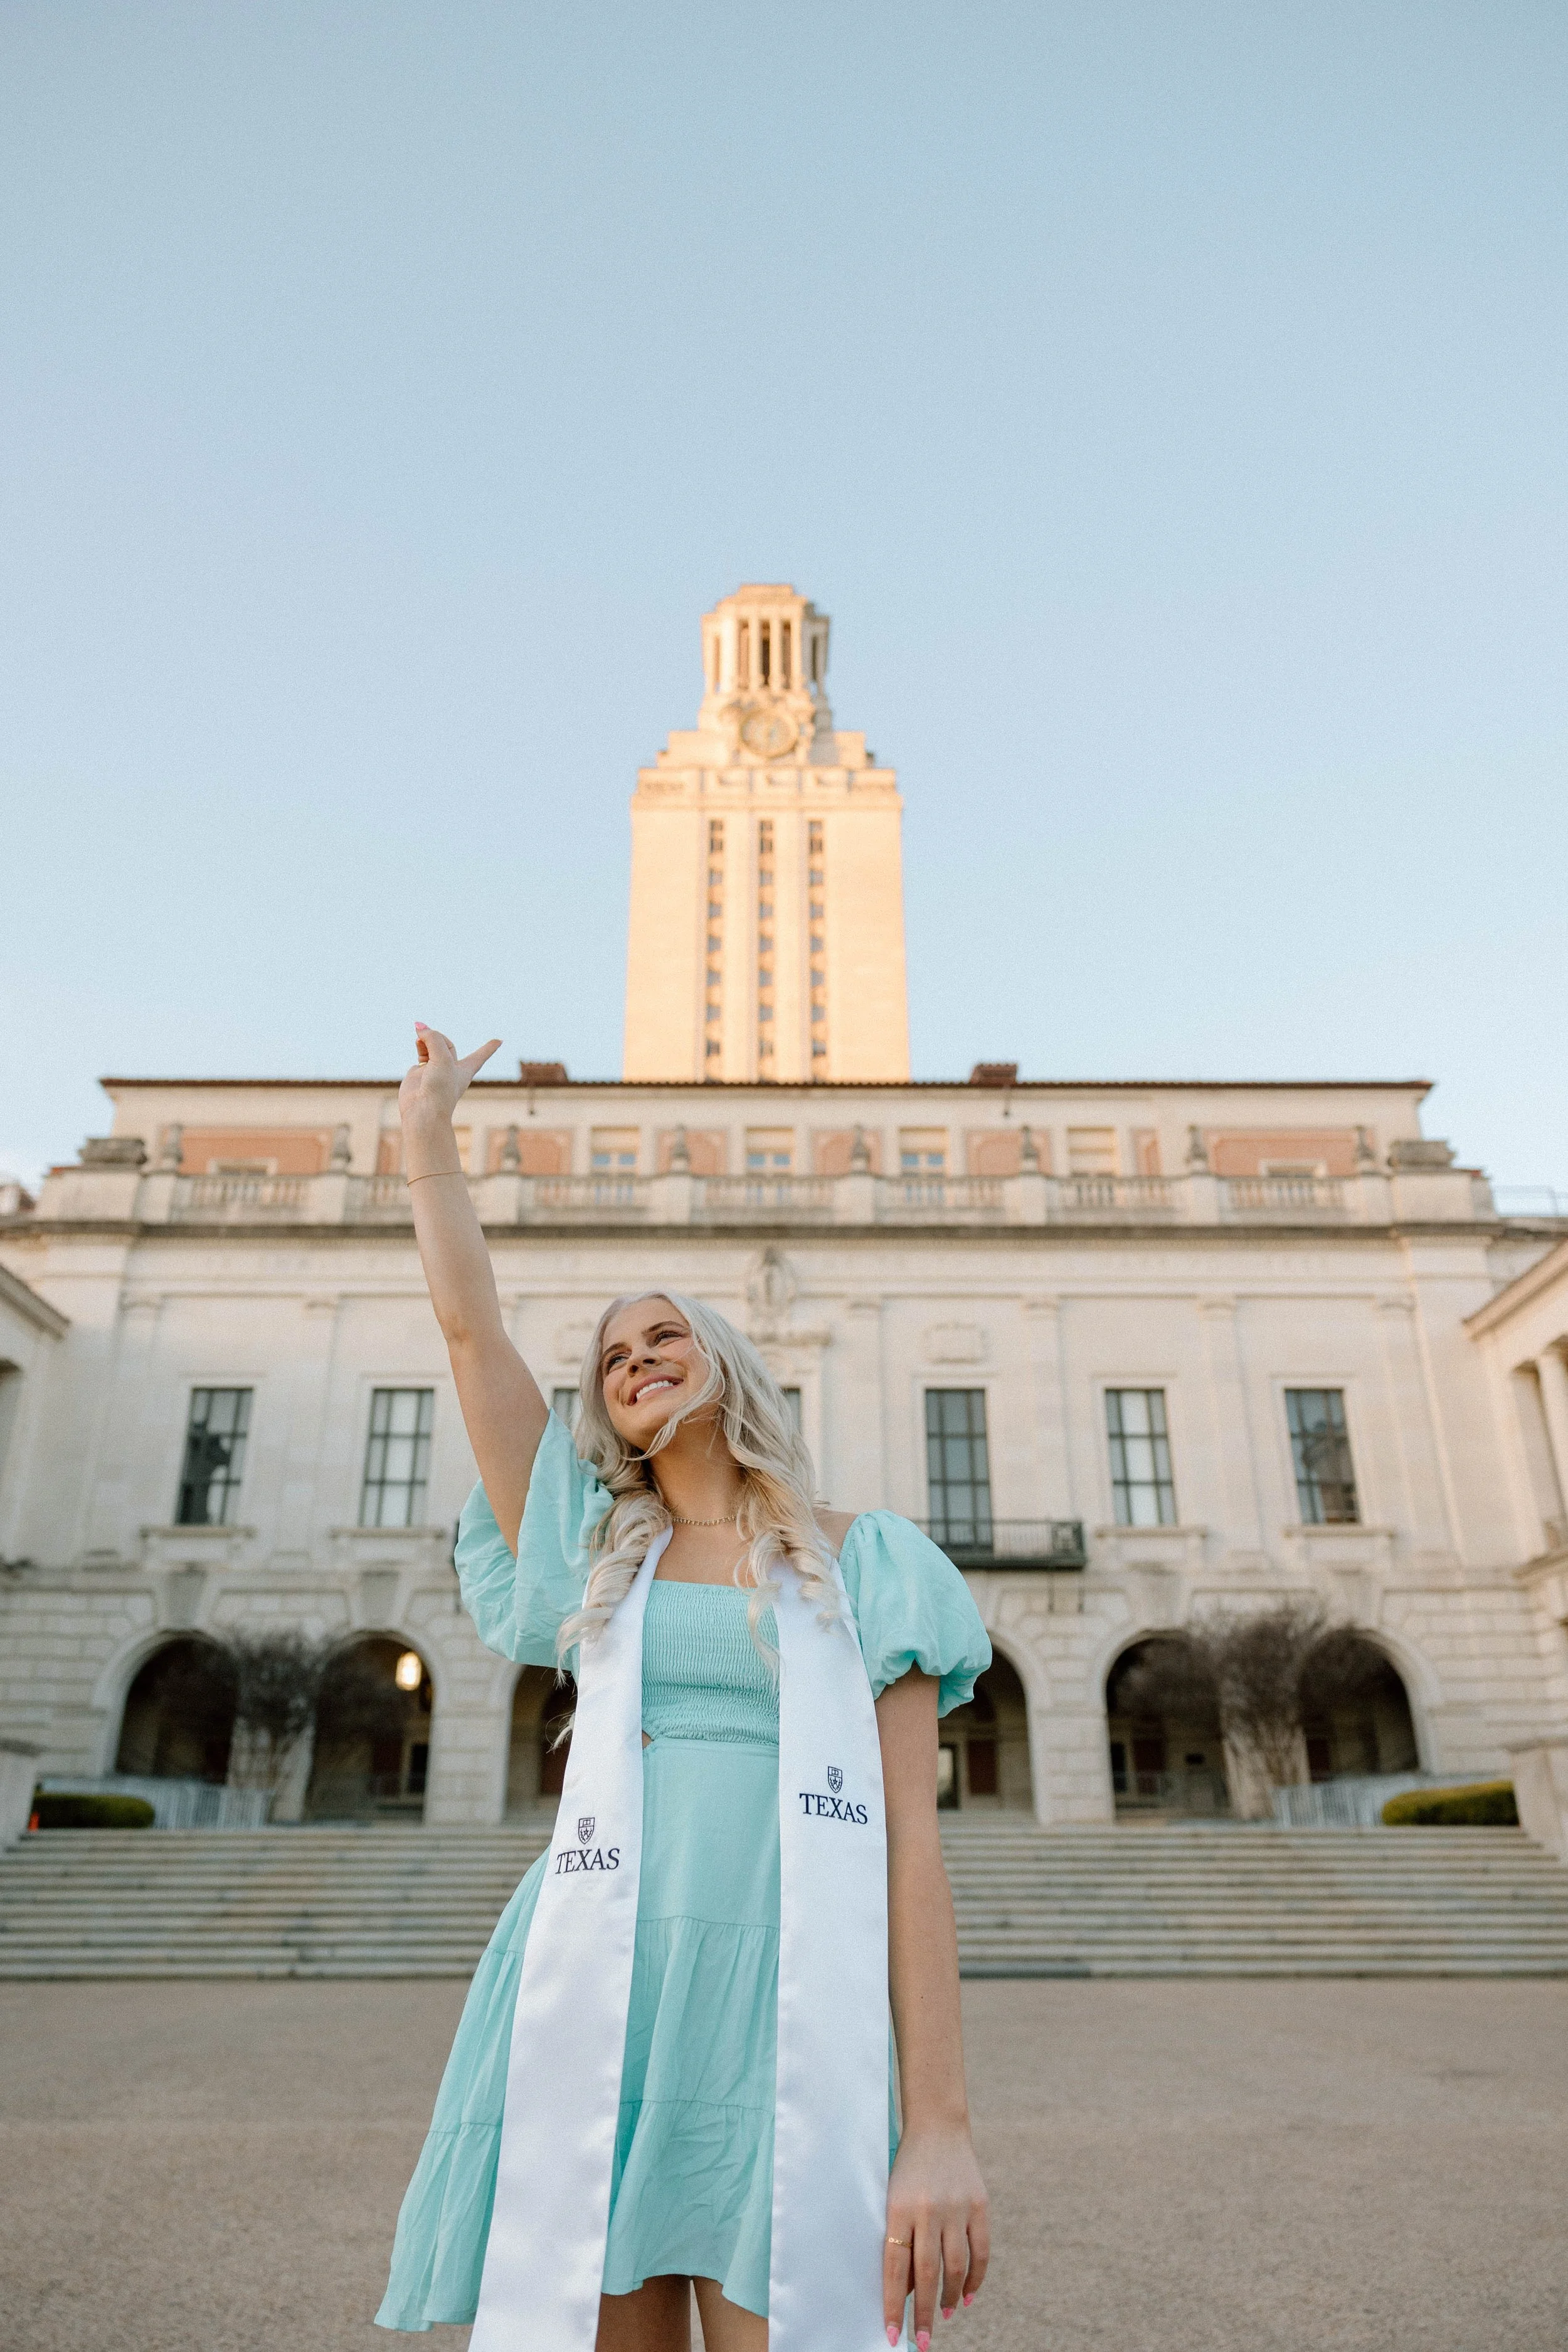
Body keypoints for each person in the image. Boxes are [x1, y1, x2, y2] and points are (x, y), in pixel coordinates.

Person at [376, 1025, 993, 2352]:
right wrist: (425, 1141)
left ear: (724, 1362)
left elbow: (911, 1849)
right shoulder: (592, 1553)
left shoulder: (867, 1564)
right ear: (603, 1409)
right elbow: (470, 1331)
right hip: (602, 1977)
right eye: (611, 1357)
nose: (636, 1358)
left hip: (787, 1993)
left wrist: (939, 2124)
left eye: (664, 1334)